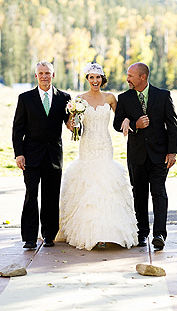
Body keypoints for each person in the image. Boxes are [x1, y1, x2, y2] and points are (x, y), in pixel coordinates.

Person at [56, 62, 138, 250]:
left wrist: (126, 119)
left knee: (105, 185)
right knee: (87, 185)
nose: (95, 81)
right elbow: (71, 125)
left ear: (102, 79)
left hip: (104, 145)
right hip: (87, 145)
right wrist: (73, 121)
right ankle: (91, 234)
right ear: (87, 79)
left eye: (98, 77)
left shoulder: (110, 98)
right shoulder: (79, 99)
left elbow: (120, 118)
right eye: (91, 77)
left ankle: (108, 233)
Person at [113, 62, 177, 251]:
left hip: (160, 155)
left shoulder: (163, 95)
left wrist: (172, 151)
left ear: (143, 77)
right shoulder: (124, 98)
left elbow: (172, 125)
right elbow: (117, 124)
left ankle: (159, 234)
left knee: (159, 193)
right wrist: (135, 124)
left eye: (130, 76)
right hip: (136, 156)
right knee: (139, 195)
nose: (127, 79)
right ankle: (142, 233)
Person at [12, 61, 73, 249]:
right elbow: (17, 129)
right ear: (36, 76)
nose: (45, 76)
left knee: (51, 196)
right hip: (30, 155)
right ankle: (29, 237)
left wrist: (77, 120)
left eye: (48, 73)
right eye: (41, 73)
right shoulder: (25, 98)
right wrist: (19, 154)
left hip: (54, 155)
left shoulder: (64, 98)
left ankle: (49, 235)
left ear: (53, 75)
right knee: (31, 194)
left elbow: (69, 124)